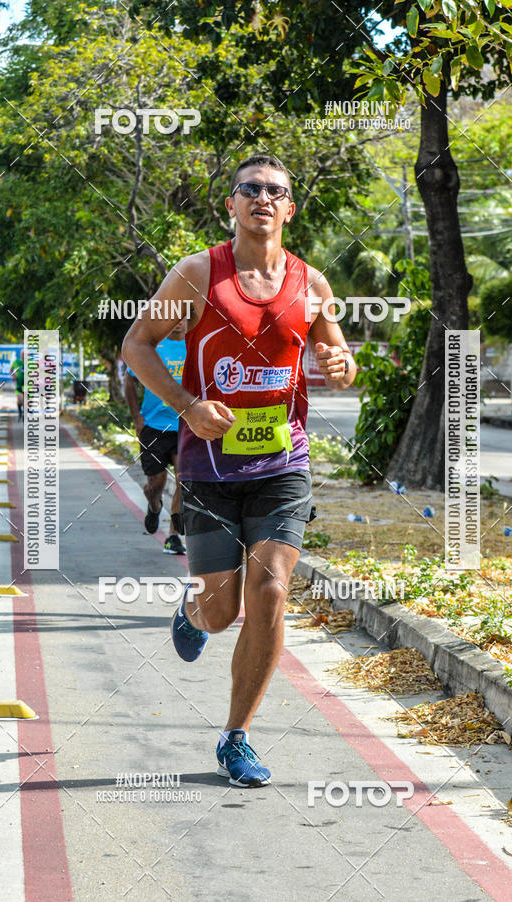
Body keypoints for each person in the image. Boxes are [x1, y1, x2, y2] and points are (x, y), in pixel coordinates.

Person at [122, 153, 356, 787]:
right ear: (230, 204)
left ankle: (236, 737)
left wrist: (341, 366)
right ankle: (192, 611)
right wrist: (187, 406)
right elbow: (135, 346)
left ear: (290, 208)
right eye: (249, 189)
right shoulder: (198, 274)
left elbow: (336, 352)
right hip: (208, 468)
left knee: (273, 592)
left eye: (275, 191)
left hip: (283, 464)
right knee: (221, 611)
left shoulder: (311, 284)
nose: (262, 198)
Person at [123, 321, 187, 555]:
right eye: (175, 317)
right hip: (153, 427)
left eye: (183, 317)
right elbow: (129, 379)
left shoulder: (194, 345)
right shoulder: (153, 346)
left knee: (184, 479)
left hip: (184, 426)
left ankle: (173, 536)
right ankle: (154, 504)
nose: (179, 322)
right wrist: (136, 417)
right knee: (156, 483)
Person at [10, 348, 25, 421]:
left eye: (25, 354)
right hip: (18, 385)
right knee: (19, 400)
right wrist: (13, 376)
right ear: (20, 355)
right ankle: (20, 413)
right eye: (22, 354)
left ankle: (25, 416)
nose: (24, 356)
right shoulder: (16, 362)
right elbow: (11, 370)